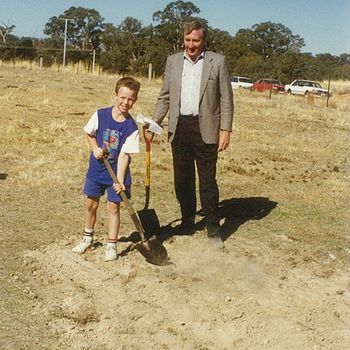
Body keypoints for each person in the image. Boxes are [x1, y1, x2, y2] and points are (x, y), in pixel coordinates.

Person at [152, 21, 234, 240]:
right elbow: (165, 96)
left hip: (206, 128)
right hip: (179, 128)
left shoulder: (217, 61)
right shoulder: (173, 62)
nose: (191, 45)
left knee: (207, 181)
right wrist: (155, 121)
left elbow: (226, 99)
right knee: (182, 179)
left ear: (203, 40)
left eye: (195, 40)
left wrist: (225, 130)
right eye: (187, 40)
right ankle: (187, 221)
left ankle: (213, 229)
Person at [72, 77, 140, 261]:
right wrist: (95, 148)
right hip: (97, 169)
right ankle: (87, 239)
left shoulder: (131, 127)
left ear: (135, 101)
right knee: (90, 204)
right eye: (123, 97)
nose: (126, 102)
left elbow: (125, 155)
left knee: (113, 207)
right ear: (115, 95)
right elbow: (89, 132)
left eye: (131, 99)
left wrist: (119, 181)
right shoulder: (100, 115)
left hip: (118, 172)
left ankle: (111, 245)